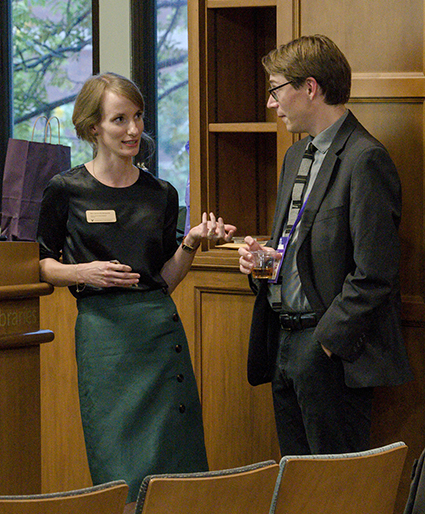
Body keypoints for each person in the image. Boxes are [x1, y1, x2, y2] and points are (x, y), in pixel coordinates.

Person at [37, 72, 236, 503]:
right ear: (94, 127)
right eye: (119, 119)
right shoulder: (65, 190)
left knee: (177, 472)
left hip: (159, 337)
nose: (133, 130)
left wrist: (191, 243)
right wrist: (82, 274)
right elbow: (43, 263)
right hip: (104, 339)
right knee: (119, 470)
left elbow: (164, 279)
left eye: (139, 117)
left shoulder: (160, 193)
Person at [238, 34, 412, 456]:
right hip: (280, 338)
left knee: (335, 488)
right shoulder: (296, 157)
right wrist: (261, 261)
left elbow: (376, 273)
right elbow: (296, 246)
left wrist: (326, 343)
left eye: (276, 90)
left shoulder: (365, 158)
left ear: (310, 88)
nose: (271, 103)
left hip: (328, 347)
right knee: (296, 481)